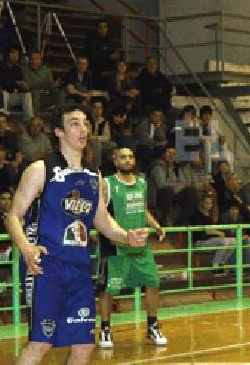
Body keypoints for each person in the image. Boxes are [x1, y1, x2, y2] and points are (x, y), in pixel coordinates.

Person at [4, 106, 149, 365]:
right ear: (59, 132)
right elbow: (13, 216)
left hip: (79, 269)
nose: (83, 128)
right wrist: (27, 248)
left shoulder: (94, 176)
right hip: (45, 268)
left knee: (84, 344)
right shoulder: (41, 169)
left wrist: (127, 236)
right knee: (41, 343)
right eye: (74, 123)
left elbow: (102, 221)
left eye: (85, 123)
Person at [96, 147, 168, 349]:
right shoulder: (108, 184)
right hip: (118, 246)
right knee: (109, 290)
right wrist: (112, 234)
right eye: (122, 157)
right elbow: (100, 212)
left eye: (130, 157)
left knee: (153, 283)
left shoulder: (142, 183)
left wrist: (156, 225)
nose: (127, 160)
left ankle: (152, 325)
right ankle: (105, 330)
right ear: (115, 159)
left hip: (141, 246)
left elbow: (143, 209)